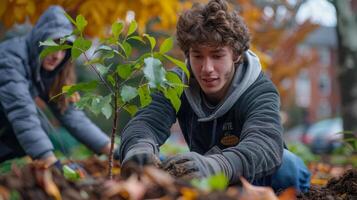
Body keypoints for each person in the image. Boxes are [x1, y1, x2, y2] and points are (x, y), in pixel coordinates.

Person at [117, 0, 311, 192]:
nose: (207, 68)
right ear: (188, 55)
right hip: (203, 175)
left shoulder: (259, 89)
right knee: (156, 164)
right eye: (198, 56)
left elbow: (265, 143)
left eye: (217, 56)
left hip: (256, 175)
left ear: (236, 55)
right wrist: (139, 147)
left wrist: (219, 166)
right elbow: (146, 122)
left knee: (288, 164)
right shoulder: (174, 83)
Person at [0, 6, 111, 167]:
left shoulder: (47, 70)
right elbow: (22, 112)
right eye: (54, 44)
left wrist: (112, 149)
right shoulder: (11, 59)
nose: (57, 55)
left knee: (42, 128)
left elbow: (72, 115)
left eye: (64, 48)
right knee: (31, 127)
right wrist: (49, 161)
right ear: (40, 40)